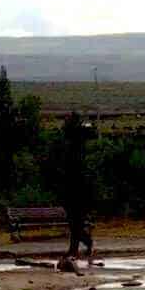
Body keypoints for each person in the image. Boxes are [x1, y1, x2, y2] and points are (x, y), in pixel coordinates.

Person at [58, 114, 96, 266]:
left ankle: (77, 248)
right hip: (74, 195)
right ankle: (83, 244)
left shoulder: (76, 155)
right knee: (75, 224)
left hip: (78, 196)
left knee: (76, 224)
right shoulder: (75, 154)